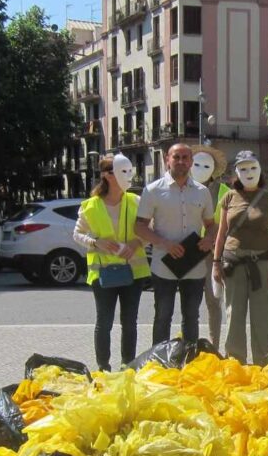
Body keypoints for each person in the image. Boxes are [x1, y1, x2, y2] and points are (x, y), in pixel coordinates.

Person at [73, 154, 150, 370]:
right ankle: (103, 367)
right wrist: (96, 242)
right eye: (122, 172)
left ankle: (128, 365)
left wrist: (136, 243)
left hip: (133, 272)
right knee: (104, 323)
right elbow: (77, 234)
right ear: (107, 175)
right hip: (103, 274)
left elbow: (148, 230)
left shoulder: (135, 201)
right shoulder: (90, 206)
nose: (128, 176)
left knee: (130, 323)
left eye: (129, 171)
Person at [134, 143, 216, 345]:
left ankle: (188, 360)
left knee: (191, 317)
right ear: (167, 160)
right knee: (163, 316)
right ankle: (160, 360)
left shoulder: (202, 192)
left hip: (194, 266)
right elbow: (139, 227)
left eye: (185, 157)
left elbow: (212, 226)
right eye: (176, 157)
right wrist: (164, 243)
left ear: (191, 162)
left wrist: (209, 239)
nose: (181, 161)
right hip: (164, 265)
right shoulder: (152, 191)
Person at [212, 151, 268, 364]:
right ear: (236, 173)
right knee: (234, 314)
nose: (248, 172)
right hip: (233, 263)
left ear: (260, 170)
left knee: (262, 316)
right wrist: (216, 263)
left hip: (264, 264)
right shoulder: (228, 197)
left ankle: (263, 362)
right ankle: (236, 362)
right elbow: (221, 233)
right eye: (243, 169)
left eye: (253, 167)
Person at [189, 144, 228, 349]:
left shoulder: (225, 192)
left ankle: (214, 345)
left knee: (214, 302)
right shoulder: (183, 189)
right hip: (187, 255)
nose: (201, 169)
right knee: (190, 303)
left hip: (213, 256)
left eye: (206, 165)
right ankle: (190, 345)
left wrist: (215, 249)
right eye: (196, 164)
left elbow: (229, 225)